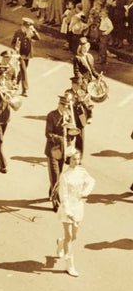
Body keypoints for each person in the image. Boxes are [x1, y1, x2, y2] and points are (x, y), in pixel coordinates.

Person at [55, 149, 95, 277]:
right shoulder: (65, 175)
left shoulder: (82, 171)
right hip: (67, 207)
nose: (76, 161)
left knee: (74, 236)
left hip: (78, 206)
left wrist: (84, 192)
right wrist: (68, 210)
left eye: (78, 159)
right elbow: (63, 195)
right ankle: (69, 265)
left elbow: (91, 181)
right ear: (69, 160)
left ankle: (61, 242)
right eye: (74, 159)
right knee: (69, 236)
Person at [45, 96, 78, 208]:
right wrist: (61, 138)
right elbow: (48, 134)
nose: (66, 108)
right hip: (53, 151)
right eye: (64, 106)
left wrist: (71, 131)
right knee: (55, 176)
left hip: (63, 151)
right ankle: (56, 202)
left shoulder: (68, 116)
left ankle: (52, 192)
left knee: (58, 175)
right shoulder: (51, 115)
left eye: (67, 106)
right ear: (59, 104)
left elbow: (71, 137)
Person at [11, 17, 40, 97]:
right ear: (23, 26)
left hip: (27, 54)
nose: (27, 29)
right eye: (26, 27)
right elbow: (13, 42)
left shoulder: (30, 32)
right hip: (20, 54)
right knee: (23, 70)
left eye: (28, 27)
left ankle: (16, 83)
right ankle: (25, 89)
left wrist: (34, 30)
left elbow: (38, 38)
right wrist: (15, 48)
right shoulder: (18, 32)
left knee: (22, 70)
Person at [64, 76, 93, 156]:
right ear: (73, 84)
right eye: (77, 84)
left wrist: (85, 103)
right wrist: (77, 101)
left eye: (80, 84)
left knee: (80, 139)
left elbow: (87, 105)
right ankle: (69, 156)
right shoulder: (68, 92)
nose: (79, 86)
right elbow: (67, 102)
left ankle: (79, 156)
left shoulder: (81, 92)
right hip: (71, 118)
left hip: (80, 118)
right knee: (69, 138)